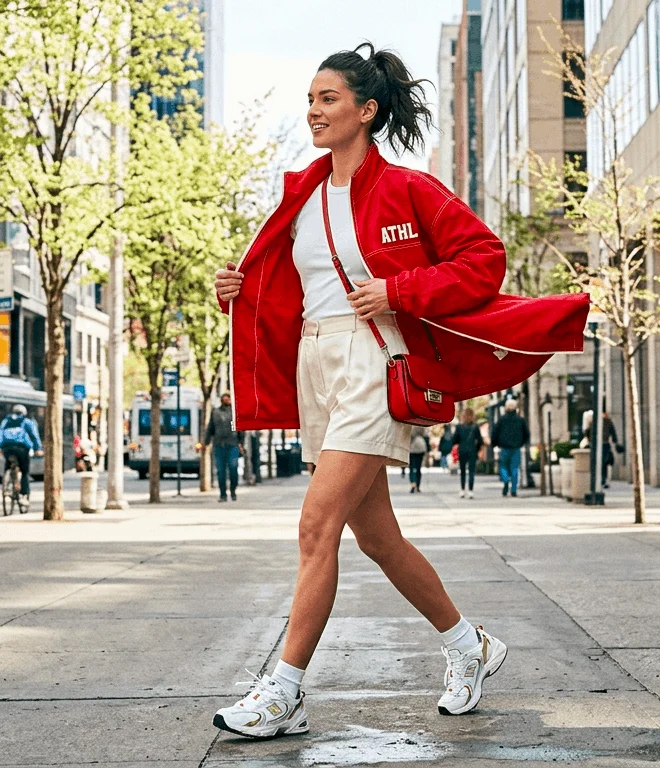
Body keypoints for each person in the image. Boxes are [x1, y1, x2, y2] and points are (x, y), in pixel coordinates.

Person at [210, 44, 588, 739]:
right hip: (316, 361)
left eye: (329, 99)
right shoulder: (301, 192)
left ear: (366, 110)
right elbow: (297, 288)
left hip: (374, 359)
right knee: (377, 538)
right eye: (311, 99)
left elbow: (483, 259)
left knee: (314, 527)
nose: (314, 111)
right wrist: (238, 291)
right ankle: (466, 643)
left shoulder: (408, 189)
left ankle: (285, 690)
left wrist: (398, 288)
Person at [0, 404, 42, 507]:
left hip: (7, 448)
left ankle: (6, 484)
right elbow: (34, 436)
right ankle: (24, 495)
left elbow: (0, 434)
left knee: (8, 465)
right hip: (22, 449)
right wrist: (37, 449)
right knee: (25, 471)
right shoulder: (26, 422)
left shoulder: (6, 421)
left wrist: (0, 446)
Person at [202, 392, 243, 503]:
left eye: (228, 398)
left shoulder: (235, 412)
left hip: (232, 445)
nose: (227, 400)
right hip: (219, 445)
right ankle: (223, 494)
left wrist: (241, 443)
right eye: (225, 398)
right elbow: (210, 428)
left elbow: (240, 429)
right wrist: (205, 443)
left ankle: (233, 490)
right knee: (221, 472)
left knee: (233, 469)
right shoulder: (215, 412)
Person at [491, 400, 530, 497]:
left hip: (504, 447)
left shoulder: (501, 420)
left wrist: (495, 444)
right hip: (516, 448)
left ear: (506, 408)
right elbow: (527, 434)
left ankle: (505, 481)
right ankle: (513, 490)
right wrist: (522, 443)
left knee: (503, 467)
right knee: (515, 468)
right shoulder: (521, 420)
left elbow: (494, 433)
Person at [453, 409, 485, 499]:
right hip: (472, 451)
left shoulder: (459, 427)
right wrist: (477, 449)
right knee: (471, 471)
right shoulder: (475, 427)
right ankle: (471, 491)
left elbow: (455, 439)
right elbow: (480, 440)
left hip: (462, 451)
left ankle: (462, 490)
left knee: (462, 471)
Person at [598, 413, 622, 488]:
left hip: (601, 445)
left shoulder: (595, 421)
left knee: (602, 463)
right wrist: (615, 442)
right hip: (604, 444)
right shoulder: (607, 421)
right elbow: (613, 433)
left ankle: (602, 480)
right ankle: (602, 480)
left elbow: (587, 433)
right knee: (603, 463)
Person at [408, 427, 429, 493]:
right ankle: (418, 485)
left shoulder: (410, 424)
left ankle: (413, 483)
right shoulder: (421, 421)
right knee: (418, 468)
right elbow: (426, 435)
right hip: (421, 445)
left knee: (411, 467)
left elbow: (410, 436)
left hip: (412, 447)